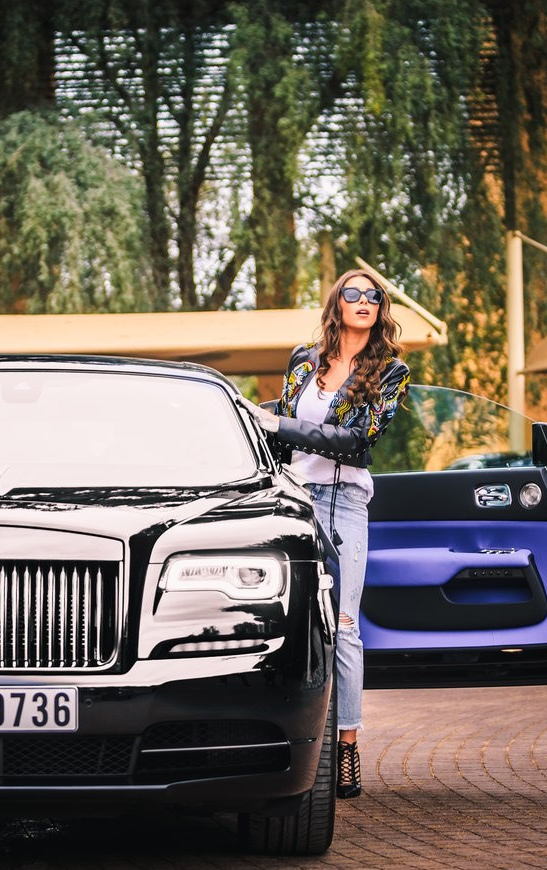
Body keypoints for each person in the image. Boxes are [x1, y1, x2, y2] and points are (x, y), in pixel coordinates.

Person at [240, 268, 410, 799]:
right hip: (293, 500)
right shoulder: (303, 361)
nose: (364, 300)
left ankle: (347, 747)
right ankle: (268, 740)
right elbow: (283, 432)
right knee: (281, 619)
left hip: (345, 504)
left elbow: (357, 443)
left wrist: (279, 425)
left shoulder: (391, 371)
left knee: (345, 626)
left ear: (380, 309)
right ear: (336, 304)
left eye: (373, 295)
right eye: (352, 293)